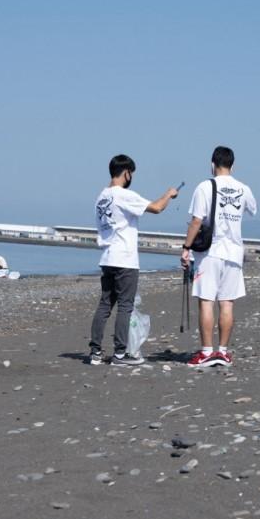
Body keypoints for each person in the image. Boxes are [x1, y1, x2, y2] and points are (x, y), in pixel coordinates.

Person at [87, 154, 178, 366]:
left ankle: (95, 352)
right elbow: (157, 207)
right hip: (125, 259)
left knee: (105, 305)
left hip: (107, 257)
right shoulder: (123, 195)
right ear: (126, 173)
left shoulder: (101, 197)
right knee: (125, 306)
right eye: (132, 174)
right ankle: (120, 354)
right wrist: (169, 194)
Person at [181, 145, 257, 368]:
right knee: (227, 303)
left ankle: (206, 352)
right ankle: (222, 352)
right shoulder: (243, 188)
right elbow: (252, 209)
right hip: (234, 252)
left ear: (212, 164)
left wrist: (186, 248)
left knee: (206, 301)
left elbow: (197, 220)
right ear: (233, 165)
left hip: (210, 253)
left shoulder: (204, 187)